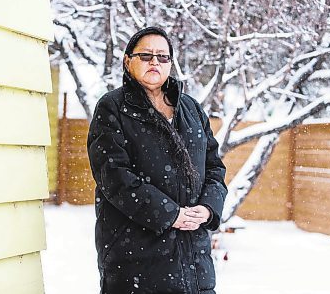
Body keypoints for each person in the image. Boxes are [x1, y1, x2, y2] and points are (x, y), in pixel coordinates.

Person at [87, 26, 227, 294]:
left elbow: (214, 169)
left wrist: (208, 209)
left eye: (163, 57)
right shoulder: (112, 107)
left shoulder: (192, 109)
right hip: (135, 259)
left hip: (194, 261)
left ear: (171, 65)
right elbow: (113, 175)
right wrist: (169, 214)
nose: (155, 62)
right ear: (128, 61)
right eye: (146, 55)